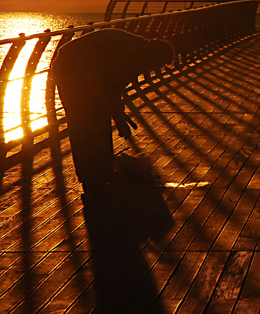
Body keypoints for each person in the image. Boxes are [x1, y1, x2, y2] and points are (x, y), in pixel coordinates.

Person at [52, 28, 174, 194]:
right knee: (80, 122)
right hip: (70, 67)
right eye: (156, 64)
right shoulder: (134, 54)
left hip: (85, 68)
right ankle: (90, 175)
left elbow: (112, 88)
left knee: (99, 120)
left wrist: (117, 113)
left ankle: (102, 171)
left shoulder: (140, 52)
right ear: (155, 54)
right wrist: (119, 117)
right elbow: (109, 86)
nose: (152, 68)